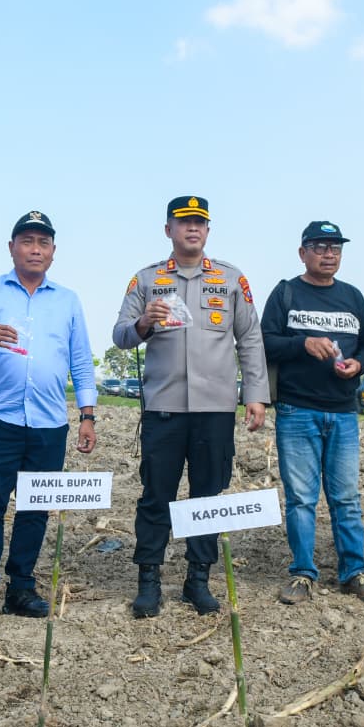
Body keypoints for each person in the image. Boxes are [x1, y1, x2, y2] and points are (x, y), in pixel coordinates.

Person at [113, 196, 269, 619]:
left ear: (208, 230)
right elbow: (121, 335)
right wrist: (144, 322)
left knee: (208, 497)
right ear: (169, 230)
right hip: (163, 408)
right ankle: (149, 581)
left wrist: (255, 394)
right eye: (184, 222)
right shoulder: (147, 279)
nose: (193, 229)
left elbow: (250, 338)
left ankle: (197, 579)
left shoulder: (231, 278)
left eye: (200, 222)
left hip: (215, 409)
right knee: (156, 496)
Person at [0, 211, 97, 632]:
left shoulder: (68, 300)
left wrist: (87, 415)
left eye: (43, 243)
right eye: (27, 241)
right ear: (12, 247)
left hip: (49, 424)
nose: (36, 249)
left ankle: (21, 587)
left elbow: (81, 362)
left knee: (35, 509)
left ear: (53, 251)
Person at [261, 221, 364, 606]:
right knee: (301, 498)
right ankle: (302, 573)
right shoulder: (285, 293)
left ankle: (354, 572)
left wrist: (359, 365)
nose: (329, 254)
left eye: (335, 248)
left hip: (343, 411)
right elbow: (264, 342)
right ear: (303, 253)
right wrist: (303, 344)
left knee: (347, 497)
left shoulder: (352, 296)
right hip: (297, 410)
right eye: (319, 247)